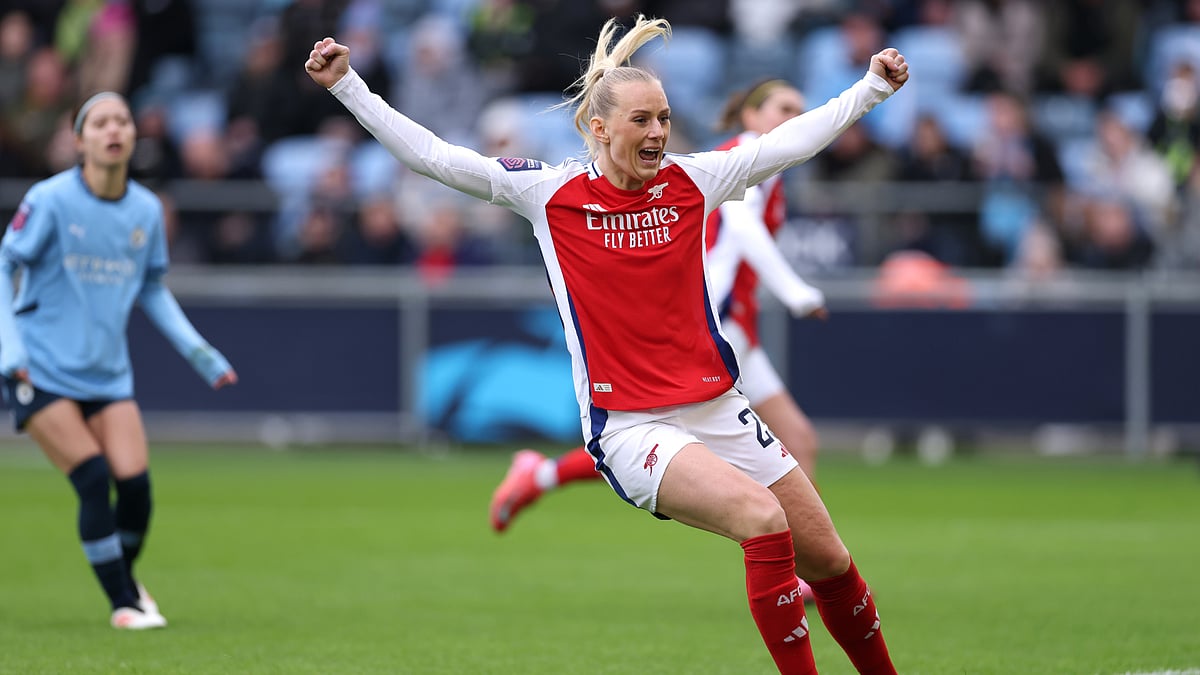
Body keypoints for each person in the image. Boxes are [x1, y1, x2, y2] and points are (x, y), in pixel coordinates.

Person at [306, 17, 907, 673]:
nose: (657, 133)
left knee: (831, 560)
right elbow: (435, 157)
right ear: (599, 128)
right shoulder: (549, 193)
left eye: (665, 118)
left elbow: (787, 142)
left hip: (716, 405)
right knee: (762, 520)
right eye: (641, 120)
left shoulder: (693, 180)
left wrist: (872, 87)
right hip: (632, 426)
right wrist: (349, 87)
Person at [489, 79, 828, 543]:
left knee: (795, 440)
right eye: (783, 107)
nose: (793, 117)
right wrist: (796, 293)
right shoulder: (742, 155)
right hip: (715, 325)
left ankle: (541, 474)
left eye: (800, 109)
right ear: (751, 117)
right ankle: (792, 561)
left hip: (740, 326)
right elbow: (743, 228)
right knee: (660, 442)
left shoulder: (768, 173)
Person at [0, 92, 238, 630]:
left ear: (133, 137)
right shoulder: (51, 200)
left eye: (122, 121)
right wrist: (9, 350)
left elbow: (151, 288)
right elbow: (4, 264)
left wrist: (202, 355)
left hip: (107, 373)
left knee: (135, 490)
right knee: (92, 477)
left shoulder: (145, 211)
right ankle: (124, 605)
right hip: (39, 368)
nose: (113, 130)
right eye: (100, 122)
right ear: (79, 140)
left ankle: (123, 580)